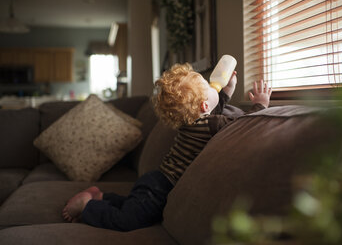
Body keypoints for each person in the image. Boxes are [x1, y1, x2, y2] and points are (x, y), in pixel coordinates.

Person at [62, 63, 272, 231]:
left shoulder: (190, 121)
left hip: (157, 180)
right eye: (209, 86)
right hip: (161, 188)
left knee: (133, 205)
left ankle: (100, 197)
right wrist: (260, 105)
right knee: (127, 220)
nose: (212, 85)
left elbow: (212, 109)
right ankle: (87, 206)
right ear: (204, 106)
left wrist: (227, 89)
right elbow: (244, 124)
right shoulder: (209, 124)